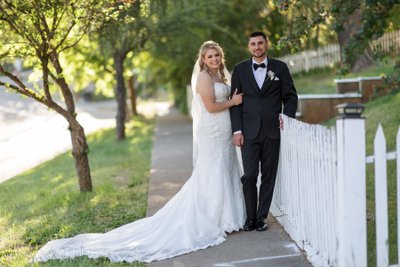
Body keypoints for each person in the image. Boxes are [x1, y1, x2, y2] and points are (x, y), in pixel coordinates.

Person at [33, 41, 245, 263]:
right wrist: (233, 101)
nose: (214, 59)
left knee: (225, 167)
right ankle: (213, 218)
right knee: (212, 172)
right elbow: (210, 107)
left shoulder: (221, 75)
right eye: (209, 56)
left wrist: (233, 103)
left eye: (217, 55)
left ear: (221, 57)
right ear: (202, 59)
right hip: (212, 131)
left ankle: (226, 217)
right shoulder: (204, 77)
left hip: (223, 130)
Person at [230, 31, 298, 232]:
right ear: (249, 47)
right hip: (248, 132)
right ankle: (249, 217)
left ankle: (261, 218)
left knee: (269, 176)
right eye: (253, 44)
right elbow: (235, 104)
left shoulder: (280, 68)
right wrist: (237, 130)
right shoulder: (240, 70)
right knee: (250, 175)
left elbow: (290, 96)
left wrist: (287, 117)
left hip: (272, 131)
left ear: (266, 44)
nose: (257, 47)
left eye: (260, 43)